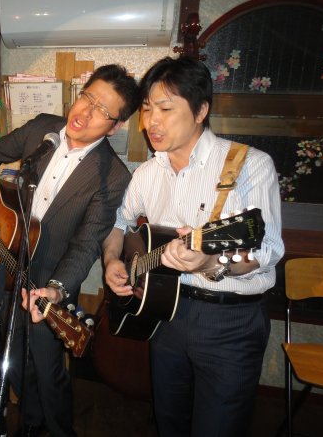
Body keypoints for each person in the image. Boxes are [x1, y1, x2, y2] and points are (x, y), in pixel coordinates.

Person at [102, 56, 284, 436]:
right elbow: (118, 222)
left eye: (166, 109)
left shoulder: (249, 165)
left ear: (201, 110)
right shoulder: (147, 173)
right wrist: (112, 260)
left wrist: (209, 262)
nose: (151, 122)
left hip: (229, 322)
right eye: (147, 109)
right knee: (169, 422)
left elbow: (266, 252)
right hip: (165, 315)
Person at [0, 64, 141, 436]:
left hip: (51, 277)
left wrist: (57, 289)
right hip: (2, 259)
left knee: (47, 367)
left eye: (102, 111)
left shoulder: (113, 176)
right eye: (87, 97)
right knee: (10, 354)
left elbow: (87, 243)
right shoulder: (42, 129)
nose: (85, 112)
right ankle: (30, 422)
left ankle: (59, 430)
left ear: (115, 126)